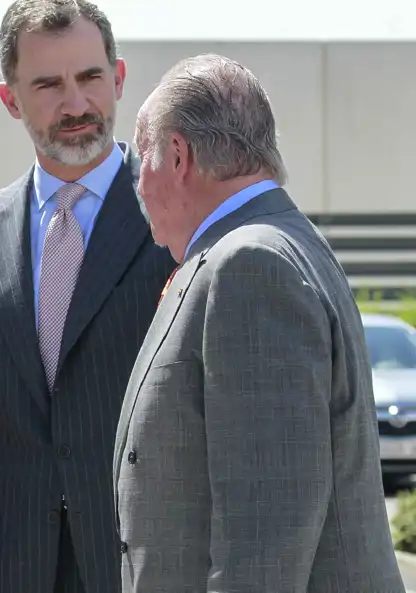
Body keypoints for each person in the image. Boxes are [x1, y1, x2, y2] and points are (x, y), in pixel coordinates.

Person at [0, 1, 176, 592]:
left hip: (140, 567)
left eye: (89, 78)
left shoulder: (181, 227)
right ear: (11, 99)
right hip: (0, 569)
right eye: (49, 84)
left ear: (120, 79)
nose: (75, 104)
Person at [113, 53, 405, 592]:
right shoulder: (278, 243)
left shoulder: (249, 265)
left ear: (177, 156)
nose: (138, 187)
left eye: (141, 162)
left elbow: (263, 543)